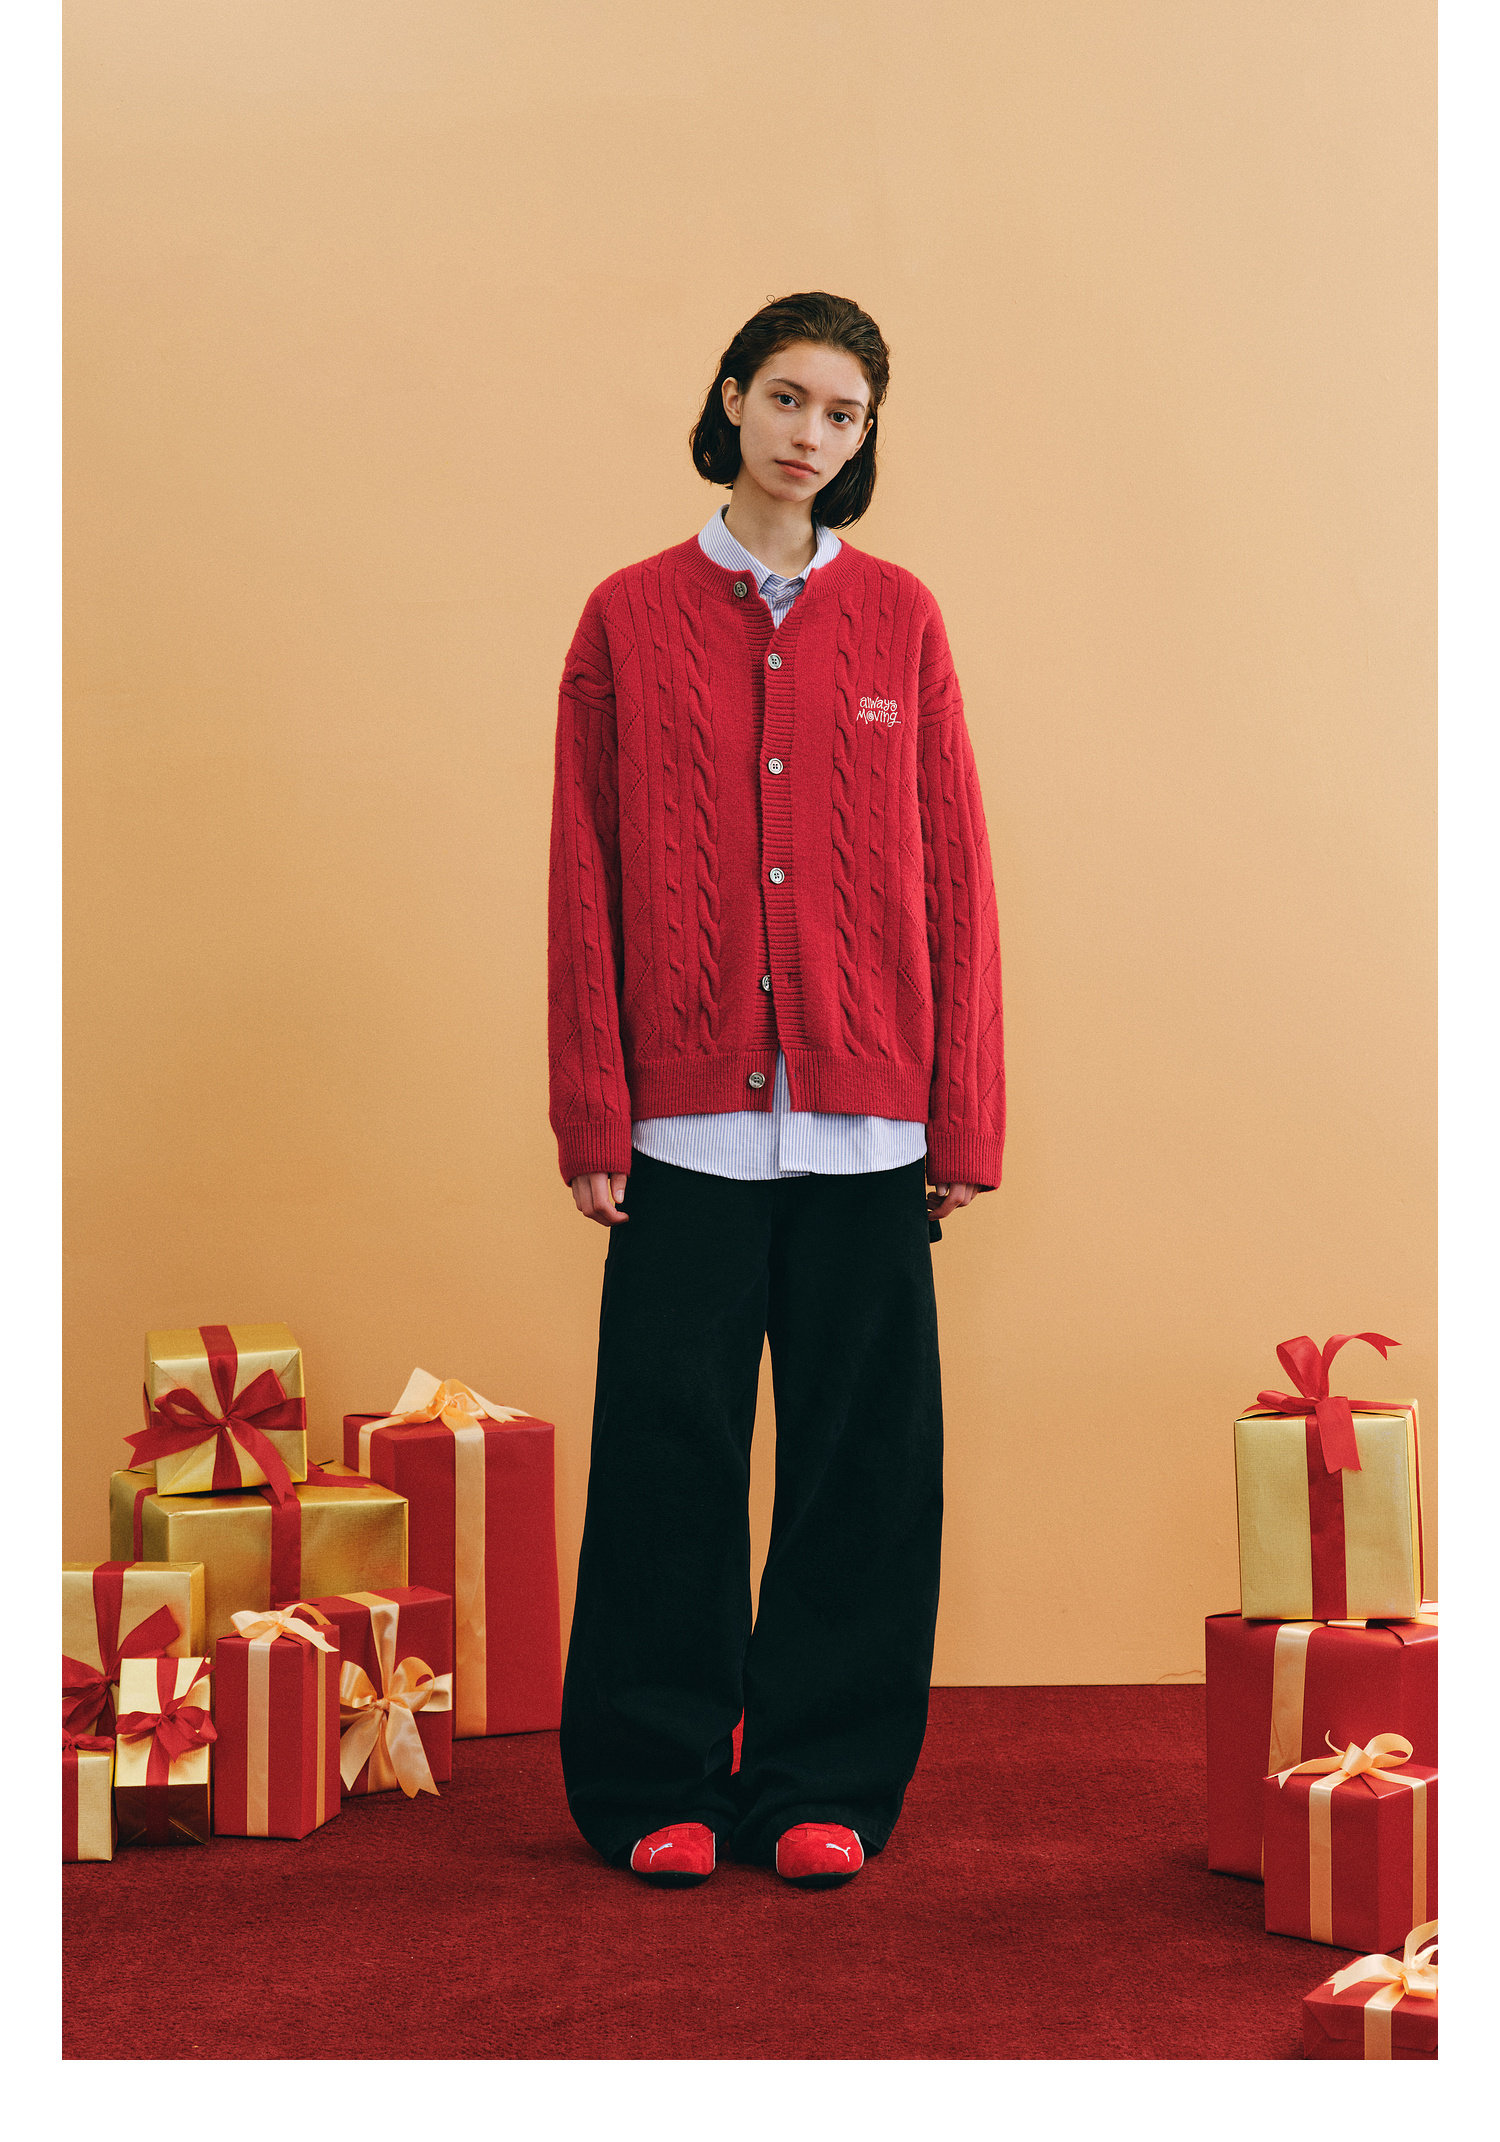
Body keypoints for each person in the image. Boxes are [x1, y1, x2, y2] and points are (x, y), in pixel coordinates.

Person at [547, 290, 1005, 1890]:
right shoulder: (626, 616)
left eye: (845, 414)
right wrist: (592, 1107)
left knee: (860, 1470)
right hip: (686, 1128)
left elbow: (956, 873)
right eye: (790, 398)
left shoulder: (903, 620)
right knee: (664, 1460)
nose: (812, 434)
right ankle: (653, 1779)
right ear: (733, 397)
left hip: (871, 1125)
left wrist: (966, 1112)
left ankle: (826, 1781)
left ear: (865, 437)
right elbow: (585, 872)